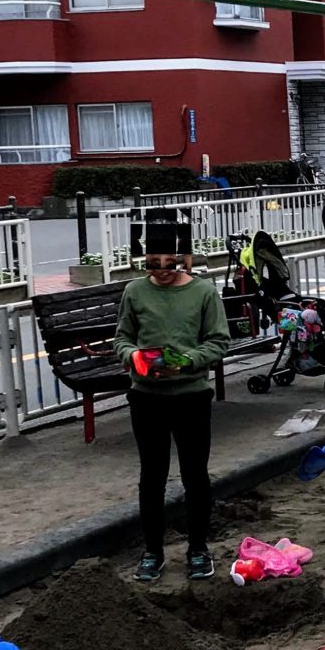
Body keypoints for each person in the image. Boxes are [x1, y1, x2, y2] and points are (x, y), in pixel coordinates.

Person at [113, 221, 232, 582]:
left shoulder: (203, 293)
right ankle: (153, 551)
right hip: (146, 396)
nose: (162, 271)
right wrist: (134, 357)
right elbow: (122, 337)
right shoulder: (134, 292)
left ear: (186, 260)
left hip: (191, 394)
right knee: (152, 476)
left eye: (171, 263)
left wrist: (190, 360)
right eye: (153, 264)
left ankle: (198, 548)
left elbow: (218, 340)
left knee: (195, 474)